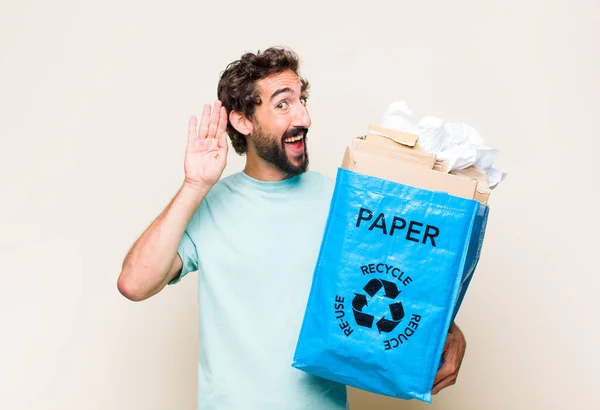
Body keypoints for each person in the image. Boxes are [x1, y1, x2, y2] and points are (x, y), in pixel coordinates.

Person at [117, 46, 467, 410]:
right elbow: (134, 283)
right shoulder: (210, 206)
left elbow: (396, 280)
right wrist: (194, 186)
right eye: (283, 105)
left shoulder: (341, 200)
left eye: (301, 101)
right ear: (243, 122)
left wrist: (448, 330)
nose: (304, 117)